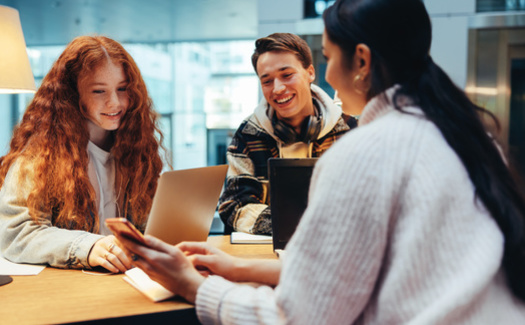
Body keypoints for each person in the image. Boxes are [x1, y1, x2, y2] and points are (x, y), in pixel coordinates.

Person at [115, 0, 525, 323]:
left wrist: (191, 285)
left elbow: (298, 316)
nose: (328, 73)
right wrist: (242, 268)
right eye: (266, 80)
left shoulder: (362, 149)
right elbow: (354, 270)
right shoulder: (472, 135)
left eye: (327, 57)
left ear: (360, 61)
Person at [0, 36, 165, 274]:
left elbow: (145, 226)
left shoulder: (135, 146)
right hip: (65, 291)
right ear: (72, 94)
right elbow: (16, 232)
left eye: (123, 89)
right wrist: (88, 247)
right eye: (99, 91)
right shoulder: (40, 154)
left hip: (124, 280)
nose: (115, 102)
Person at [218, 32, 357, 235]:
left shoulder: (349, 129)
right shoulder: (248, 134)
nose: (278, 89)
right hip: (266, 257)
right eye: (267, 81)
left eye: (287, 75)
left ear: (310, 72)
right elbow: (234, 206)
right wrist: (296, 224)